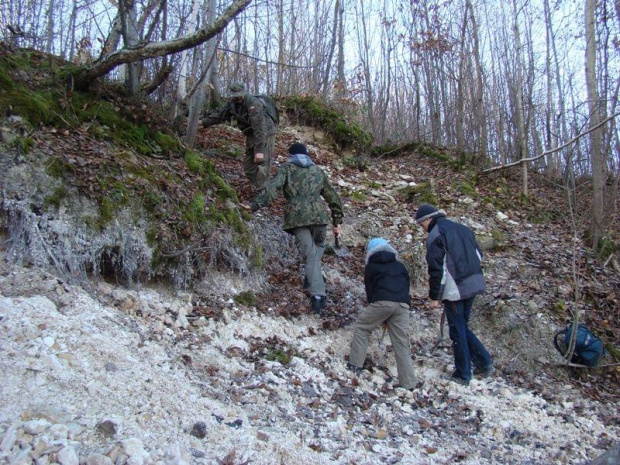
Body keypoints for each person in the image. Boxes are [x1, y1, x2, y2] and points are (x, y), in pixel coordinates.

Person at [241, 142, 343, 315]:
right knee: (317, 249)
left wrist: (255, 205)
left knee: (310, 256)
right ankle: (312, 278)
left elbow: (273, 189)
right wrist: (337, 220)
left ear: (291, 155)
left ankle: (318, 296)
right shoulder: (318, 171)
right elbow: (332, 196)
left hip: (298, 219)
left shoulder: (287, 169)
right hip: (320, 218)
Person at [415, 204, 494, 386]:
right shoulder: (463, 229)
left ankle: (463, 374)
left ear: (428, 220)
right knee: (462, 326)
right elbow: (478, 254)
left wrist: (435, 296)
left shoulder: (435, 235)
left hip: (455, 289)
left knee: (457, 330)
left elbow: (436, 269)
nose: (423, 229)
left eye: (421, 225)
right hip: (474, 282)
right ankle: (484, 361)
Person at [347, 238, 419, 390]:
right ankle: (409, 383)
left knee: (362, 327)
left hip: (382, 301)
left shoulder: (371, 267)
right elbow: (406, 286)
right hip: (403, 304)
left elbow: (370, 292)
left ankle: (354, 366)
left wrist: (380, 312)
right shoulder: (400, 266)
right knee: (401, 343)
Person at [202, 82, 278, 189]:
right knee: (248, 168)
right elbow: (220, 116)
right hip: (251, 132)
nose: (238, 98)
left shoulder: (253, 103)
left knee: (262, 164)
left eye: (239, 95)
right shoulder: (232, 103)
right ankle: (260, 186)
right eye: (235, 96)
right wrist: (203, 123)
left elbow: (260, 127)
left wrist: (259, 150)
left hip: (266, 132)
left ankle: (264, 194)